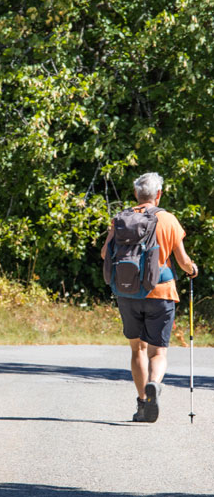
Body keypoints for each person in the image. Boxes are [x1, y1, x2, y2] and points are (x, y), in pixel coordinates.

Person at [101, 172, 197, 423]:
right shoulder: (168, 220)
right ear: (159, 194)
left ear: (136, 194)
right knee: (158, 352)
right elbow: (183, 261)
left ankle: (142, 403)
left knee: (137, 349)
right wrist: (193, 270)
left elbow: (105, 254)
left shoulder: (121, 219)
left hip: (127, 292)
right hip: (161, 292)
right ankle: (154, 383)